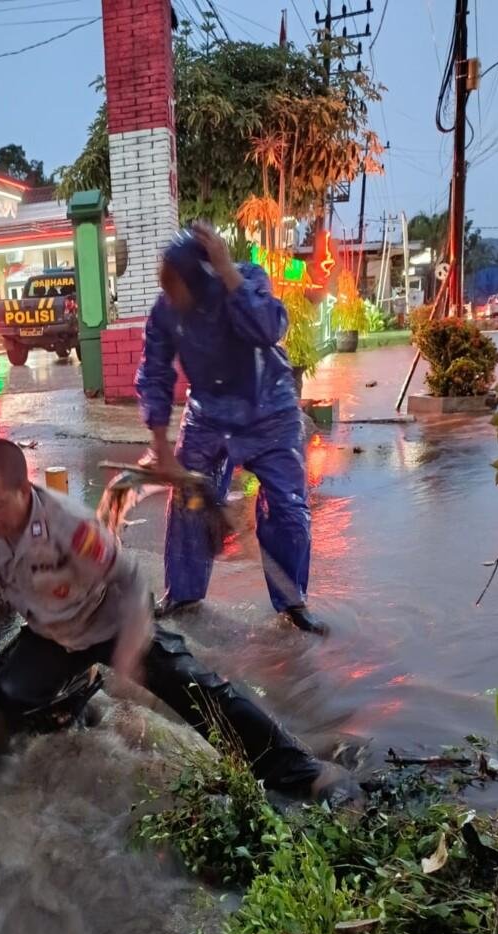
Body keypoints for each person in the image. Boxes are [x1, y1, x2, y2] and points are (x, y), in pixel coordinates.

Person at [0, 439, 356, 804]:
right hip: (55, 635)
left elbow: (132, 579)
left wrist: (135, 644)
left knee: (201, 694)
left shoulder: (69, 523)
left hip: (114, 621)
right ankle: (78, 694)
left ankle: (302, 772)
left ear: (23, 492)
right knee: (11, 692)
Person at [137, 224, 327, 635]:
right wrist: (160, 443)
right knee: (190, 498)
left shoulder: (243, 281)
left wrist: (228, 271)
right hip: (207, 414)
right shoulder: (165, 310)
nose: (169, 297)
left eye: (176, 287)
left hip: (268, 409)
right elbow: (154, 370)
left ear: (201, 278)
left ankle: (292, 600)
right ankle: (184, 593)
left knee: (289, 510)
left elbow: (269, 329)